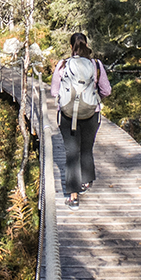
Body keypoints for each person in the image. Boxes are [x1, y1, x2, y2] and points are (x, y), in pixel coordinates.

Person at [50, 32, 111, 209]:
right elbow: (106, 90)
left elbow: (54, 92)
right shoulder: (96, 65)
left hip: (68, 115)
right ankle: (86, 181)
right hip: (92, 114)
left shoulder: (63, 65)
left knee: (71, 154)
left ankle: (73, 197)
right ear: (86, 44)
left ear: (71, 47)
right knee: (86, 147)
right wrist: (92, 97)